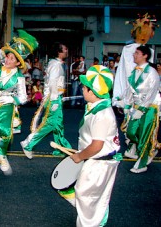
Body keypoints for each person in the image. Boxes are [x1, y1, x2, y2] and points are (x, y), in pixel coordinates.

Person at [59, 65, 122, 227]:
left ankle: (91, 222)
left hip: (98, 163)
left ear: (92, 92)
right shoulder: (97, 107)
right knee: (91, 195)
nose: (82, 88)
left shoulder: (101, 115)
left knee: (85, 195)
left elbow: (96, 146)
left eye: (84, 87)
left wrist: (79, 156)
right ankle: (96, 217)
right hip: (99, 161)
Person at [0, 30, 38, 176]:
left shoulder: (19, 77)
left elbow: (23, 98)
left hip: (7, 108)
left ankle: (2, 157)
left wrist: (12, 99)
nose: (7, 60)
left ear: (18, 62)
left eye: (11, 59)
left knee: (5, 135)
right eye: (7, 57)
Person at [20, 42, 72, 158]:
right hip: (53, 99)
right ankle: (28, 143)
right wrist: (54, 100)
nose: (66, 51)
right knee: (48, 124)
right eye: (65, 49)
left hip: (55, 97)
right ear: (59, 52)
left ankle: (60, 149)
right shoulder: (56, 65)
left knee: (58, 125)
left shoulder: (55, 64)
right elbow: (52, 83)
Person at [121, 45, 160, 173]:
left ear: (145, 56)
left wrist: (142, 109)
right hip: (136, 107)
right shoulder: (134, 71)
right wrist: (127, 105)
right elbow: (130, 90)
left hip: (149, 108)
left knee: (144, 135)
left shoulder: (152, 73)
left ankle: (142, 163)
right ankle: (149, 149)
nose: (134, 55)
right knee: (131, 132)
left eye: (137, 53)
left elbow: (152, 93)